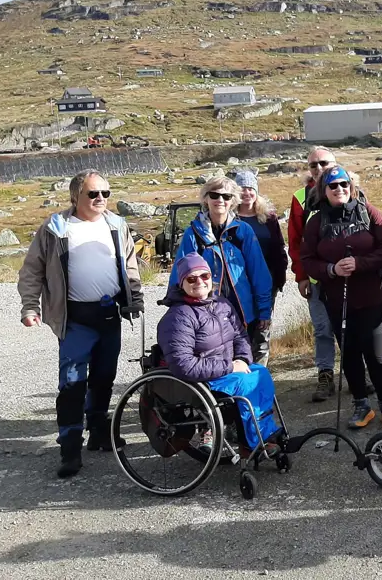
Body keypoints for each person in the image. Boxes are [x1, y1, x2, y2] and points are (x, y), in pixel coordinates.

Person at [17, 169, 144, 478]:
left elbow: (129, 262)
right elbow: (32, 270)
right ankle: (70, 448)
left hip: (108, 316)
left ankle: (99, 431)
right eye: (93, 193)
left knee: (104, 378)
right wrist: (29, 306)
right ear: (75, 197)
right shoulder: (56, 228)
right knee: (72, 385)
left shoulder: (116, 225)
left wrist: (135, 295)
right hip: (75, 319)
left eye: (105, 193)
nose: (100, 199)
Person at [302, 166, 382, 429]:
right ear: (324, 191)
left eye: (344, 184)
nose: (339, 189)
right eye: (333, 186)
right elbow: (307, 260)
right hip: (337, 300)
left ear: (352, 186)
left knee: (377, 354)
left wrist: (361, 263)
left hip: (373, 297)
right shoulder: (315, 222)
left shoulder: (369, 212)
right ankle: (361, 405)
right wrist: (331, 270)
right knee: (350, 354)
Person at [157, 253, 279, 451]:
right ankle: (253, 444)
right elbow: (184, 365)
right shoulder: (178, 317)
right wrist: (230, 367)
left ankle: (266, 432)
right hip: (203, 379)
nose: (199, 282)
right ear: (181, 283)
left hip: (226, 371)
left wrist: (242, 360)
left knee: (261, 374)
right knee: (245, 383)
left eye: (204, 276)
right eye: (191, 278)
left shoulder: (221, 304)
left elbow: (240, 337)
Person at [171, 176, 272, 360]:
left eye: (226, 196)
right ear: (205, 199)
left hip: (243, 314)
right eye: (215, 195)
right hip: (207, 315)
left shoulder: (243, 231)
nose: (220, 200)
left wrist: (264, 311)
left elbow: (259, 274)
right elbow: (180, 275)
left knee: (244, 362)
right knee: (216, 364)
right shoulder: (192, 234)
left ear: (233, 201)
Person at [288, 147, 340, 402]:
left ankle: (355, 373)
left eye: (323, 163)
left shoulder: (347, 188)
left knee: (349, 327)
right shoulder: (300, 198)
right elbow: (295, 242)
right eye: (313, 165)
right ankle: (325, 375)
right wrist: (301, 276)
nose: (319, 169)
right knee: (322, 329)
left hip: (347, 278)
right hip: (317, 279)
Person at [234, 170, 287, 364]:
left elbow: (279, 249)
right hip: (237, 284)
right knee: (240, 328)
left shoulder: (268, 218)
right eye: (242, 189)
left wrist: (280, 278)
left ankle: (260, 372)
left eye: (250, 188)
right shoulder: (228, 218)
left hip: (266, 283)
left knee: (262, 329)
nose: (247, 193)